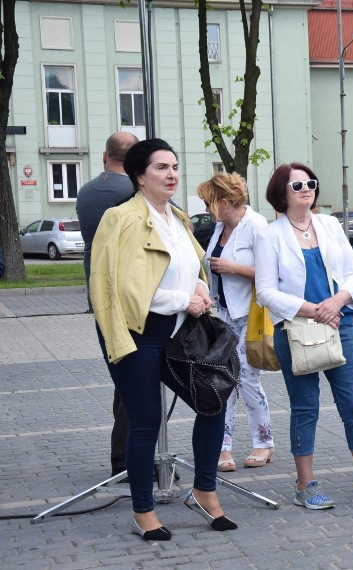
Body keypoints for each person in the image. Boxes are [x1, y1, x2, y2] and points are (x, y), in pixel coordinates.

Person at [90, 138, 236, 540]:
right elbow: (115, 286)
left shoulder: (179, 218)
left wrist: (202, 289)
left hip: (180, 335)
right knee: (145, 422)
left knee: (213, 401)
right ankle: (144, 512)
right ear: (139, 175)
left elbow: (191, 268)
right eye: (161, 168)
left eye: (174, 166)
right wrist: (182, 299)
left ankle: (204, 491)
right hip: (137, 334)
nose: (172, 174)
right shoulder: (118, 219)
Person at [255, 162, 353, 510]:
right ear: (281, 192)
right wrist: (312, 309)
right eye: (297, 185)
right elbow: (265, 292)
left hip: (340, 323)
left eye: (311, 183)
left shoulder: (330, 225)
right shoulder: (269, 234)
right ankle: (305, 485)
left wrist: (336, 302)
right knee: (304, 408)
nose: (306, 188)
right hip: (295, 329)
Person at [196, 173, 274, 472]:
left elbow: (270, 272)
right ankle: (222, 446)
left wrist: (232, 267)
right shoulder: (219, 227)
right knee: (222, 380)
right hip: (222, 315)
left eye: (208, 201)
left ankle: (264, 443)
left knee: (247, 379)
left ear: (225, 202)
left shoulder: (257, 226)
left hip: (251, 315)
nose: (205, 207)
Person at [75, 131, 139, 478]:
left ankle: (126, 459)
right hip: (131, 297)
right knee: (135, 382)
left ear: (104, 156)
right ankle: (128, 461)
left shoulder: (86, 191)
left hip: (98, 295)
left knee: (124, 376)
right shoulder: (131, 193)